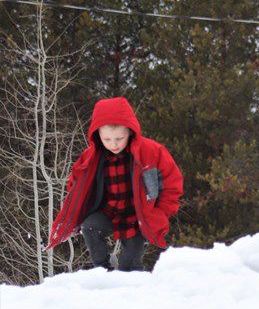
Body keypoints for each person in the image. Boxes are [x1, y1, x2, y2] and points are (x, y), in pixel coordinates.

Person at [46, 97, 183, 271]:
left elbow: (172, 184)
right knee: (90, 227)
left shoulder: (151, 152)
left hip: (138, 215)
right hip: (108, 210)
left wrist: (160, 213)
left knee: (129, 265)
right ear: (98, 136)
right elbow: (75, 184)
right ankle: (104, 273)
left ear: (130, 132)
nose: (114, 144)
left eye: (119, 138)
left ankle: (133, 289)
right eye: (107, 139)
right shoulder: (92, 157)